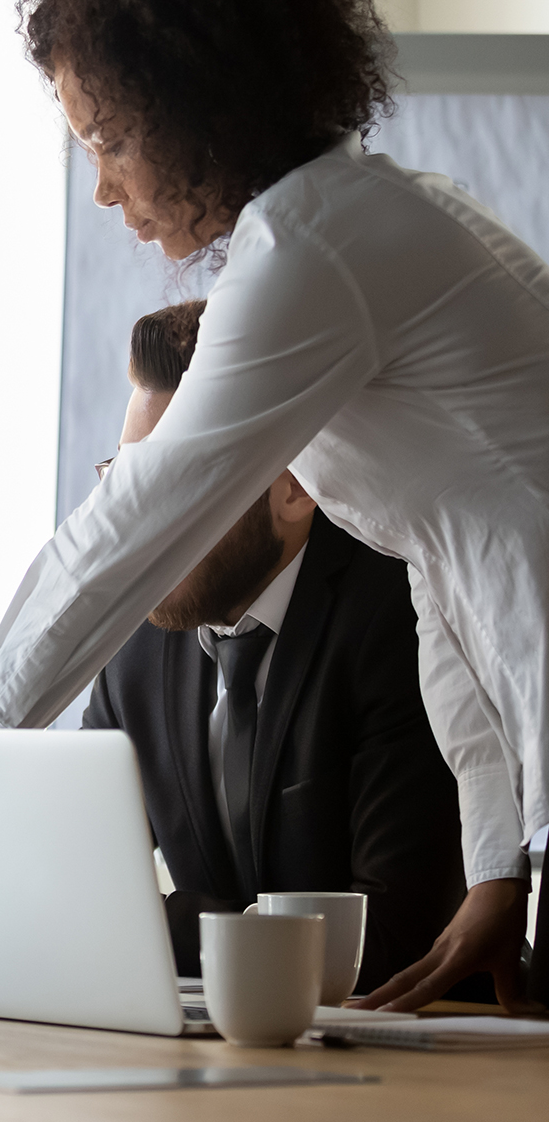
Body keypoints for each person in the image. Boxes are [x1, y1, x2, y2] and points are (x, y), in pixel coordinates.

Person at [0, 0, 549, 1012]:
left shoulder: (312, 248)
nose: (104, 187)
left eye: (112, 139)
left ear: (203, 101)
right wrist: (497, 862)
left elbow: (116, 546)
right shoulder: (359, 222)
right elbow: (449, 574)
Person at [84, 301, 477, 994]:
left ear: (293, 487)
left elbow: (390, 937)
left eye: (168, 479)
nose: (133, 525)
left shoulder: (403, 620)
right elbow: (66, 885)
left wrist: (157, 923)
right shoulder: (136, 648)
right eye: (124, 478)